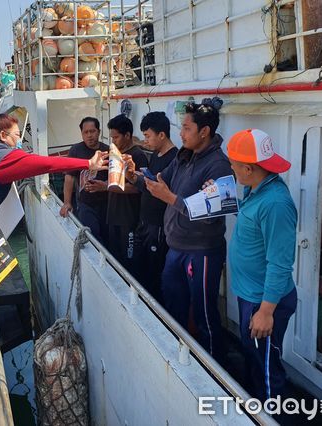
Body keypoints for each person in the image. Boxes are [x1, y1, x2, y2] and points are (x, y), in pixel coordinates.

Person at [0, 110, 107, 348]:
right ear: (4, 135)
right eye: (17, 135)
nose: (19, 140)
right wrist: (87, 163)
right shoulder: (3, 157)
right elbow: (46, 164)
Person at [125, 98, 230, 362]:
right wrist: (132, 175)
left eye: (186, 128)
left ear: (204, 132)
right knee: (173, 304)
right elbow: (159, 182)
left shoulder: (219, 165)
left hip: (202, 251)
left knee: (205, 314)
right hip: (176, 248)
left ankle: (214, 368)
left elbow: (211, 214)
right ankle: (178, 358)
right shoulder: (185, 157)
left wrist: (170, 198)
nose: (180, 133)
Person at [226, 129, 297, 402]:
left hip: (265, 303)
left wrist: (266, 311)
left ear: (247, 168)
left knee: (268, 371)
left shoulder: (276, 203)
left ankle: (275, 415)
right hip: (251, 296)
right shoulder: (256, 188)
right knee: (255, 359)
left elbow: (280, 264)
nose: (231, 168)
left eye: (233, 165)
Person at [125, 112, 178, 300]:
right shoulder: (156, 155)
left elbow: (163, 190)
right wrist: (134, 176)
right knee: (143, 268)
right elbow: (149, 184)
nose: (145, 140)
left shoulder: (175, 159)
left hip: (159, 225)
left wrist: (140, 179)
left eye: (148, 136)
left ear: (161, 135)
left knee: (155, 273)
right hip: (145, 221)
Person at [103, 114, 148, 269]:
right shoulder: (115, 155)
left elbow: (138, 188)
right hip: (113, 217)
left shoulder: (137, 156)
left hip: (129, 220)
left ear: (127, 135)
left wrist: (105, 186)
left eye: (116, 137)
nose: (113, 141)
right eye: (111, 138)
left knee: (130, 263)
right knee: (115, 260)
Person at [59, 117, 109, 244]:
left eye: (92, 131)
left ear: (99, 131)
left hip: (107, 204)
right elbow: (69, 177)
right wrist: (67, 203)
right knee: (92, 238)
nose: (89, 135)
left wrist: (104, 186)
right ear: (82, 134)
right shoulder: (76, 150)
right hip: (85, 204)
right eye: (85, 132)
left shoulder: (108, 150)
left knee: (107, 238)